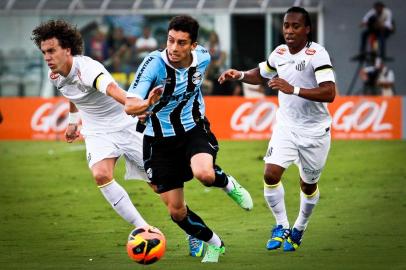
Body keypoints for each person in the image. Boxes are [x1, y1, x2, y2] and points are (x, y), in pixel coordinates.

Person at [125, 15, 253, 263]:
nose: (174, 48)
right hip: (158, 141)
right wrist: (147, 104)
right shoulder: (153, 63)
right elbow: (129, 106)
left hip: (193, 129)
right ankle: (214, 243)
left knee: (204, 174)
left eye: (182, 43)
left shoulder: (203, 56)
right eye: (171, 41)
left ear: (193, 45)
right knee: (176, 211)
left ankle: (228, 184)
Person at [219, 6, 336, 252]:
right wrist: (239, 74)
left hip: (315, 132)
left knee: (308, 185)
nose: (289, 31)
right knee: (270, 174)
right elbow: (261, 74)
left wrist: (291, 88)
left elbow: (329, 92)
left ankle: (299, 229)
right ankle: (281, 226)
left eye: (295, 26)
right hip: (286, 126)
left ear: (307, 29)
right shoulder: (280, 52)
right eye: (286, 26)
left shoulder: (318, 54)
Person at [31, 19, 151, 231]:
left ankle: (192, 230)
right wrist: (73, 122)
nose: (47, 57)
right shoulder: (55, 75)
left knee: (161, 186)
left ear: (67, 50)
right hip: (97, 130)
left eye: (52, 51)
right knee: (101, 174)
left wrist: (136, 105)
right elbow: (72, 94)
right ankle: (143, 228)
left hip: (125, 125)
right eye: (44, 52)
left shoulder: (88, 69)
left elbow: (113, 89)